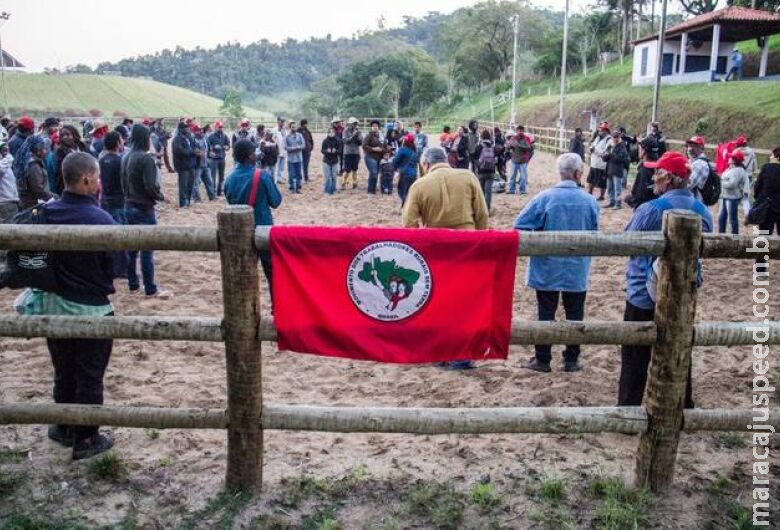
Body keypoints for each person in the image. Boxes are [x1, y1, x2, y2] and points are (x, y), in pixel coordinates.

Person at [27, 152, 117, 460]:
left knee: (63, 370)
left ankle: (63, 426)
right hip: (90, 308)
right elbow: (115, 266)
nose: (100, 182)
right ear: (87, 179)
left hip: (52, 306)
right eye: (98, 177)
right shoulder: (101, 220)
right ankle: (87, 438)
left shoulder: (44, 213)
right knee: (89, 374)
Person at [620, 151, 712, 408]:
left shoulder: (650, 209)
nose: (653, 177)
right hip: (684, 292)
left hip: (643, 292)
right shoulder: (702, 211)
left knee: (635, 352)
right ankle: (683, 403)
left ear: (668, 178)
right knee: (679, 348)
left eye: (657, 172)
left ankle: (628, 406)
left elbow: (627, 243)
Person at [403, 147, 488, 369]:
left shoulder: (419, 185)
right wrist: (479, 244)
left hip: (435, 250)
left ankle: (440, 352)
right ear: (447, 159)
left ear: (425, 163)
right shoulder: (468, 176)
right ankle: (462, 355)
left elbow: (408, 224)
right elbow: (482, 215)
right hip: (467, 247)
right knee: (465, 302)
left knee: (437, 301)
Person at [514, 153, 599, 372]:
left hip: (547, 267)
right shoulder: (590, 201)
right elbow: (595, 232)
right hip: (576, 267)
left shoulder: (544, 197)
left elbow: (520, 225)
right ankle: (571, 359)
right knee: (575, 314)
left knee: (545, 312)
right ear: (579, 173)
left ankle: (542, 359)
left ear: (560, 173)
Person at [224, 139, 282, 303]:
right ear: (250, 156)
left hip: (240, 233)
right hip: (263, 231)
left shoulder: (229, 179)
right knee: (272, 273)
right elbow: (276, 201)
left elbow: (230, 202)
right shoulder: (262, 176)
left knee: (242, 276)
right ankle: (276, 308)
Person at [122, 124, 170, 299]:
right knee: (147, 250)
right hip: (144, 207)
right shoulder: (146, 159)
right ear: (145, 138)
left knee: (132, 248)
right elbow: (150, 186)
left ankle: (133, 283)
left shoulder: (126, 157)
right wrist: (160, 196)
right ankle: (150, 288)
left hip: (129, 205)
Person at [18, 136, 55, 210]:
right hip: (34, 205)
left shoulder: (27, 161)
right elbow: (37, 188)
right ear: (38, 150)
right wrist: (51, 199)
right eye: (44, 149)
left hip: (29, 203)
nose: (46, 152)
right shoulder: (33, 166)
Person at [750, 147, 780, 235]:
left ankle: (762, 248)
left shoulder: (767, 168)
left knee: (764, 233)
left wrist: (757, 198)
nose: (770, 157)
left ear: (776, 157)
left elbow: (758, 185)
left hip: (768, 205)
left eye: (772, 155)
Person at [98, 131, 125, 224]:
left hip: (104, 201)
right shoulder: (120, 161)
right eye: (121, 140)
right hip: (118, 203)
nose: (123, 142)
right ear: (118, 143)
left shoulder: (101, 160)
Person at [719, 150, 748, 234]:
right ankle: (721, 234)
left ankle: (735, 236)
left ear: (734, 160)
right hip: (726, 196)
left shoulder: (737, 171)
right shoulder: (731, 168)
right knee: (722, 217)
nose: (729, 158)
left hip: (732, 198)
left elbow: (732, 184)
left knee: (732, 219)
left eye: (731, 157)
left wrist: (721, 182)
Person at [54, 125, 89, 196]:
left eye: (67, 134)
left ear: (74, 135)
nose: (65, 137)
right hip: (68, 185)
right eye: (62, 135)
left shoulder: (83, 146)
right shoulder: (60, 151)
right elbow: (62, 171)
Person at [626, 139, 657, 210]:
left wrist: (630, 199)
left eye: (640, 148)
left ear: (644, 151)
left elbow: (640, 195)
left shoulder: (644, 170)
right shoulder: (658, 166)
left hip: (644, 209)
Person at [171, 122, 196, 208]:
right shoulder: (176, 140)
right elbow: (182, 152)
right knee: (183, 185)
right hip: (182, 166)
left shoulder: (189, 138)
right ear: (181, 129)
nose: (188, 129)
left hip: (191, 165)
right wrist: (194, 152)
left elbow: (196, 146)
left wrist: (196, 150)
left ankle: (188, 200)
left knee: (190, 184)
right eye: (186, 128)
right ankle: (183, 203)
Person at [473, 129, 497, 211]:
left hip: (481, 171)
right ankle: (487, 209)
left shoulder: (479, 146)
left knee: (481, 191)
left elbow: (474, 157)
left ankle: (481, 209)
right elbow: (496, 158)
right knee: (488, 191)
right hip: (491, 171)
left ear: (481, 136)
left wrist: (477, 166)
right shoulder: (492, 146)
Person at [605, 130, 629, 209]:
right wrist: (605, 156)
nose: (615, 138)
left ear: (619, 137)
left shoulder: (622, 146)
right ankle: (612, 202)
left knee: (617, 189)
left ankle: (618, 204)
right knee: (610, 188)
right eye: (614, 137)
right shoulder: (610, 146)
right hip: (610, 169)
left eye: (616, 137)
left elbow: (621, 158)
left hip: (617, 170)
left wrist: (611, 154)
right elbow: (605, 157)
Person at [393, 134, 419, 205]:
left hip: (405, 173)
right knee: (410, 192)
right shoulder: (415, 152)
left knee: (402, 191)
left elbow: (396, 160)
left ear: (405, 141)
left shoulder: (402, 149)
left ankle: (405, 207)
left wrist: (394, 169)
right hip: (414, 174)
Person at [507, 125, 533, 195]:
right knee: (512, 176)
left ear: (523, 131)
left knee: (523, 177)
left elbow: (528, 147)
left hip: (523, 160)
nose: (520, 132)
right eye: (519, 130)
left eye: (521, 130)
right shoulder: (513, 138)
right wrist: (509, 145)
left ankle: (522, 190)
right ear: (516, 131)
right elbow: (508, 147)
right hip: (514, 159)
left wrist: (518, 145)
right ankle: (511, 189)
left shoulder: (526, 138)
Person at [587, 123, 610, 200]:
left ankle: (602, 196)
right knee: (590, 179)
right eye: (600, 130)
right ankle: (590, 192)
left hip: (602, 164)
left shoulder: (608, 140)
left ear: (606, 131)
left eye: (602, 130)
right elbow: (593, 146)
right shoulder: (597, 138)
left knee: (602, 182)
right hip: (594, 162)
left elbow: (605, 152)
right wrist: (591, 149)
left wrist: (595, 151)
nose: (601, 132)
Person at [207, 120, 230, 196]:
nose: (220, 128)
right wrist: (211, 150)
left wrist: (227, 147)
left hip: (222, 158)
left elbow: (228, 144)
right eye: (219, 127)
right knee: (212, 176)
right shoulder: (211, 136)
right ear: (215, 127)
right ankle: (212, 191)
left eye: (221, 127)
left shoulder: (224, 135)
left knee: (221, 176)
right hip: (213, 159)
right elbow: (207, 147)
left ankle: (219, 191)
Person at [0, 142, 19, 228]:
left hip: (10, 201)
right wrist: (8, 158)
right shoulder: (5, 162)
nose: (5, 151)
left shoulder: (5, 162)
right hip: (5, 202)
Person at [685, 135, 710, 201]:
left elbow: (687, 185)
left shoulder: (700, 164)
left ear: (701, 148)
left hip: (695, 202)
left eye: (694, 146)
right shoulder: (692, 161)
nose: (690, 149)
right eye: (689, 146)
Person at [340, 117, 363, 190]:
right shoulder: (345, 131)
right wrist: (353, 136)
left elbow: (360, 142)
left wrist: (358, 137)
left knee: (355, 169)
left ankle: (354, 183)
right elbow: (345, 141)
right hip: (348, 153)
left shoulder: (358, 131)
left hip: (356, 152)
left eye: (356, 124)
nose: (355, 125)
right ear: (350, 124)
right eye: (353, 123)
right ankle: (343, 183)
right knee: (347, 170)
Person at [363, 120, 385, 194]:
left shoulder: (381, 136)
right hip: (370, 156)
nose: (375, 127)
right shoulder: (369, 135)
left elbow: (384, 145)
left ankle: (372, 190)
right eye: (373, 126)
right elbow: (364, 146)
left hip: (379, 157)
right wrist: (373, 149)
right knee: (374, 173)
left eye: (376, 126)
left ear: (378, 127)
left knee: (374, 174)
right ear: (371, 127)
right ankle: (370, 190)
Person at [285, 122, 305, 194]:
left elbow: (303, 145)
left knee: (299, 173)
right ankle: (292, 187)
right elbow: (285, 147)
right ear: (290, 128)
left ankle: (298, 187)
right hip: (291, 159)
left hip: (299, 158)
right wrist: (292, 148)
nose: (294, 128)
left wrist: (297, 147)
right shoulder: (287, 137)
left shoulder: (300, 135)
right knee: (291, 174)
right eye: (293, 127)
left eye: (295, 127)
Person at [322, 127, 341, 195]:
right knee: (327, 177)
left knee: (334, 177)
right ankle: (327, 191)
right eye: (329, 132)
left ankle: (333, 190)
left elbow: (340, 151)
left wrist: (336, 151)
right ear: (328, 133)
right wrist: (327, 151)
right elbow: (322, 150)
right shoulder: (325, 141)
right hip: (326, 161)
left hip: (335, 161)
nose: (331, 133)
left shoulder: (337, 141)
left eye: (332, 132)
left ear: (334, 133)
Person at [273, 117, 288, 185]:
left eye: (283, 122)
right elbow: (273, 139)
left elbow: (286, 138)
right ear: (278, 122)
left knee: (282, 165)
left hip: (284, 150)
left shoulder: (284, 130)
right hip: (277, 150)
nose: (282, 123)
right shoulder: (274, 130)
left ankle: (280, 176)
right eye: (281, 122)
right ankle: (277, 178)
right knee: (277, 164)